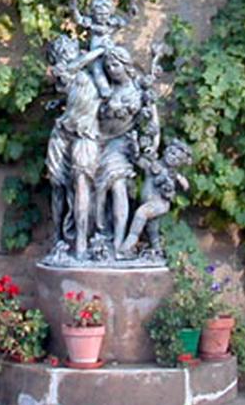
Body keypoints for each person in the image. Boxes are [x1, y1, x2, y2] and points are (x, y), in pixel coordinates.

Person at [95, 45, 161, 255]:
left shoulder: (140, 91)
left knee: (118, 186)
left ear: (126, 65)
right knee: (98, 194)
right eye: (107, 66)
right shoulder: (105, 89)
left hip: (122, 144)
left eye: (115, 64)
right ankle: (101, 235)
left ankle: (119, 242)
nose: (111, 69)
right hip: (97, 143)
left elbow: (154, 123)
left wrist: (152, 145)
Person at [45, 35, 105, 260]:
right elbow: (71, 68)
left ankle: (81, 242)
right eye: (60, 51)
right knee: (58, 185)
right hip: (62, 134)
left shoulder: (93, 74)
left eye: (69, 48)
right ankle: (59, 238)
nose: (66, 53)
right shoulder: (67, 68)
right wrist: (99, 49)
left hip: (87, 135)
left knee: (82, 183)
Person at [118, 138, 193, 258]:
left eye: (178, 159)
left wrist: (174, 181)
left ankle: (127, 246)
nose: (173, 158)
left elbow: (181, 186)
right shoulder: (153, 164)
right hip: (149, 201)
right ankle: (157, 249)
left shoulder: (171, 174)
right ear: (166, 151)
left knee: (141, 214)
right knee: (152, 228)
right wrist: (136, 149)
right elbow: (139, 161)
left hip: (159, 204)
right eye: (172, 153)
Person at [70, 0, 132, 99]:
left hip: (109, 49)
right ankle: (104, 87)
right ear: (93, 13)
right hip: (95, 50)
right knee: (97, 67)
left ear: (110, 13)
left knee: (117, 63)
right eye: (99, 14)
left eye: (105, 14)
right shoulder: (91, 23)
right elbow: (79, 19)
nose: (102, 17)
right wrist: (74, 8)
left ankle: (125, 83)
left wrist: (131, 8)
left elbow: (126, 20)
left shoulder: (112, 23)